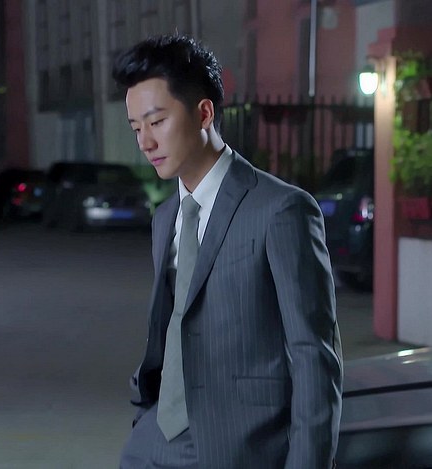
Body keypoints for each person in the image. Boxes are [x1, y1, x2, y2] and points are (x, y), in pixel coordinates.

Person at [113, 34, 343, 469]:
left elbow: (314, 357)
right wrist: (145, 420)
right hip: (153, 442)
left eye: (156, 122)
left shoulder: (280, 209)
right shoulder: (166, 217)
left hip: (239, 448)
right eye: (136, 128)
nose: (145, 142)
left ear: (204, 113)